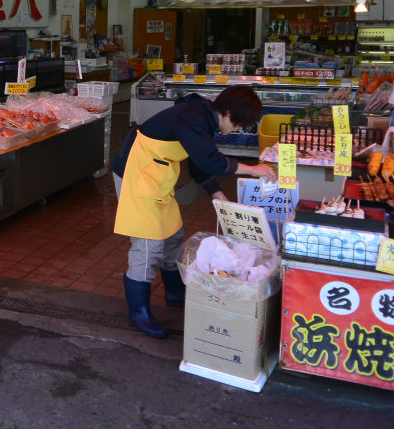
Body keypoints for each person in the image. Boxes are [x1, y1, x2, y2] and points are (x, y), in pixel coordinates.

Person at [111, 85, 275, 338]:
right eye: (239, 124)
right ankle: (139, 312)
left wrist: (218, 195)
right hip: (136, 176)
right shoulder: (192, 116)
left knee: (173, 236)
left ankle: (175, 292)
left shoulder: (202, 119)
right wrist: (253, 169)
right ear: (228, 113)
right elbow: (210, 160)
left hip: (157, 180)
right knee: (149, 247)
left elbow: (199, 164)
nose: (238, 130)